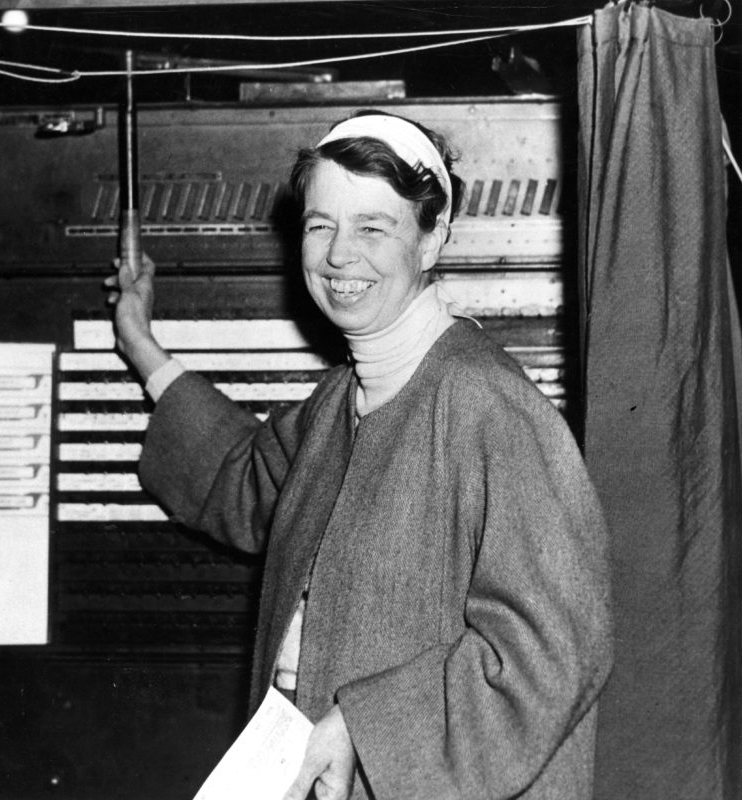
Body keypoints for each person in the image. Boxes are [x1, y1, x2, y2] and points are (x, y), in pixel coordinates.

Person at [105, 111, 613, 800]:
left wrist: (366, 728)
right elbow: (240, 480)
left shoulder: (488, 404)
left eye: (373, 228)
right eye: (321, 226)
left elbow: (551, 651)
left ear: (432, 238)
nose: (340, 256)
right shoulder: (339, 398)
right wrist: (139, 343)